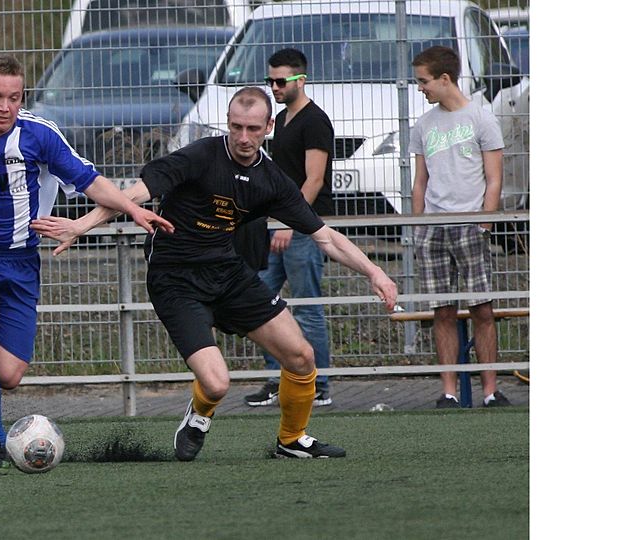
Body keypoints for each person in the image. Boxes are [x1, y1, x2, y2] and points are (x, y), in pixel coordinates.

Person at [32, 87, 398, 461]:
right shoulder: (201, 156)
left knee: (302, 356)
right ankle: (199, 415)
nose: (243, 137)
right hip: (175, 279)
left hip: (227, 273)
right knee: (217, 383)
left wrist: (374, 272)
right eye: (236, 126)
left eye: (253, 128)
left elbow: (325, 237)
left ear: (268, 126)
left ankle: (292, 440)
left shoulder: (270, 179)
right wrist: (82, 225)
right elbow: (136, 194)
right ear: (227, 122)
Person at [0, 54, 173, 469]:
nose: (4, 106)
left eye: (13, 97)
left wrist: (134, 210)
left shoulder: (40, 134)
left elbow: (91, 181)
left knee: (9, 375)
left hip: (20, 263)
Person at [409, 45, 511, 409]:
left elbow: (493, 178)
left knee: (482, 308)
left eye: (424, 81)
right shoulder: (423, 125)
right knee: (443, 310)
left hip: (471, 225)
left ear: (445, 78)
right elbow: (419, 181)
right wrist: (419, 226)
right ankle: (449, 391)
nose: (420, 88)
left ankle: (490, 389)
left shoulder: (481, 118)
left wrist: (484, 222)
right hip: (434, 227)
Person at [239, 48, 335, 408]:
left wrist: (288, 224)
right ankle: (276, 381)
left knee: (308, 306)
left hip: (301, 229)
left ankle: (319, 383)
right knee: (261, 300)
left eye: (281, 81)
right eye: (271, 81)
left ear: (301, 80)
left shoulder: (314, 121)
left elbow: (313, 180)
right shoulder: (281, 119)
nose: (275, 87)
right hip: (277, 227)